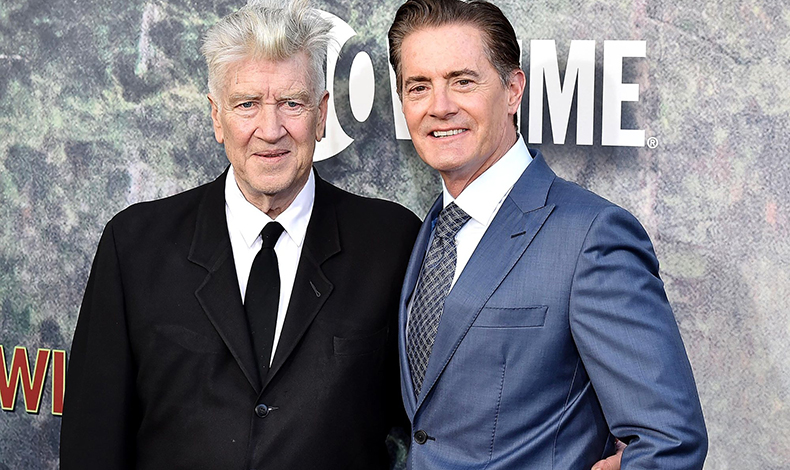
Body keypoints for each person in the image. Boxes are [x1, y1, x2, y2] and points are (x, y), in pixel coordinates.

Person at [59, 1, 421, 468]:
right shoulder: (134, 247)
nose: (270, 130)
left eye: (291, 103)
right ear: (217, 116)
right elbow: (93, 442)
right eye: (247, 104)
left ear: (321, 115)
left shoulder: (391, 244)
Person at [387, 0, 708, 469]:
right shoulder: (428, 235)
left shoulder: (590, 236)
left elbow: (671, 441)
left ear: (513, 90)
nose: (440, 106)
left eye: (463, 81)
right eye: (419, 87)